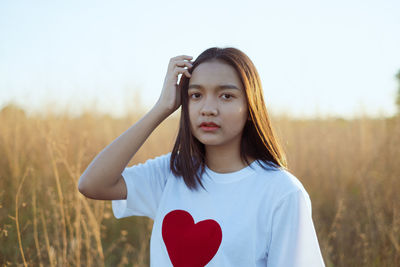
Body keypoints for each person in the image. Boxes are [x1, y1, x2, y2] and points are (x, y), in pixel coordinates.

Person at [78, 47, 326, 267]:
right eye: (196, 95)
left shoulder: (282, 192)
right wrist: (161, 108)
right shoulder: (171, 172)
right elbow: (92, 184)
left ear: (251, 107)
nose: (208, 108)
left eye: (226, 96)